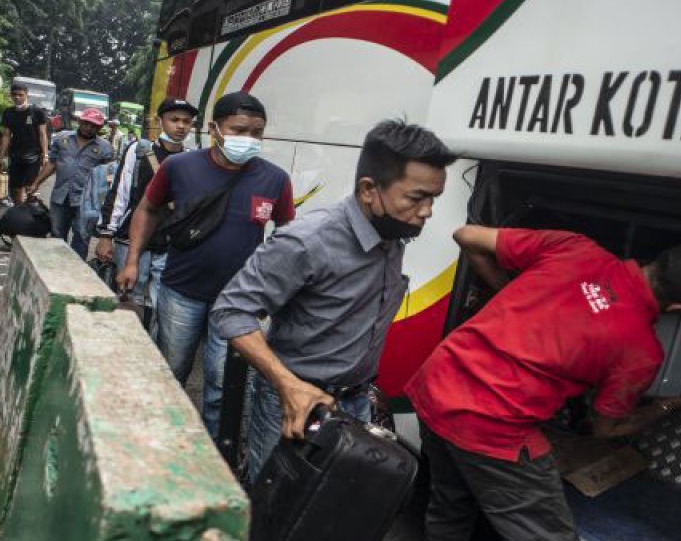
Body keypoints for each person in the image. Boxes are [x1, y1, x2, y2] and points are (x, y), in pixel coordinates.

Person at [404, 228, 681, 541]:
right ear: (679, 308)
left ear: (658, 259)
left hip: (438, 384)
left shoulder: (576, 249)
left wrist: (511, 294)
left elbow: (467, 235)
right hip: (491, 429)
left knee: (449, 517)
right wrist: (668, 407)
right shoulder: (639, 350)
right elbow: (606, 429)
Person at [214, 119, 456, 479]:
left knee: (330, 503)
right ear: (369, 190)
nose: (427, 211)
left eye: (433, 199)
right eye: (416, 198)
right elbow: (231, 311)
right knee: (277, 501)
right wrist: (288, 385)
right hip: (296, 400)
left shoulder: (393, 233)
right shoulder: (307, 240)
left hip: (355, 402)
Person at [119, 91, 294, 440]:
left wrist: (275, 283)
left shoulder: (275, 179)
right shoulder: (180, 168)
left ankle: (216, 453)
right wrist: (132, 261)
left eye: (256, 132)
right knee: (171, 372)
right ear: (214, 129)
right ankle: (159, 440)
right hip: (180, 293)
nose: (248, 139)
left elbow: (287, 231)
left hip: (237, 302)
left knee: (222, 386)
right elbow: (148, 209)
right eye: (239, 130)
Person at [95, 97, 198, 323]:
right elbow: (120, 192)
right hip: (131, 241)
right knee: (127, 299)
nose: (181, 126)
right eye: (174, 120)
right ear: (160, 121)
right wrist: (106, 235)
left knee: (163, 306)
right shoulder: (139, 151)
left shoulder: (192, 159)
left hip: (169, 244)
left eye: (186, 121)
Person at [26, 107, 114, 258]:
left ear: (100, 128)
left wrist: (104, 201)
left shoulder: (105, 148)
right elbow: (52, 163)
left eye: (94, 126)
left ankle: (76, 267)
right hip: (60, 197)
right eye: (86, 123)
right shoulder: (62, 139)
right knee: (56, 234)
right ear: (79, 121)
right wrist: (36, 183)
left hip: (86, 202)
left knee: (82, 236)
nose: (89, 128)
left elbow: (108, 176)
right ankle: (55, 266)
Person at [0, 82, 50, 205]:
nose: (17, 97)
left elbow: (43, 134)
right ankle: (18, 210)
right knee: (16, 188)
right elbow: (6, 135)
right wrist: (1, 155)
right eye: (14, 94)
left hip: (33, 155)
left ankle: (30, 211)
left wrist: (45, 154)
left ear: (27, 96)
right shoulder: (8, 112)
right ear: (11, 96)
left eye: (20, 95)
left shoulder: (37, 112)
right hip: (15, 154)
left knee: (30, 187)